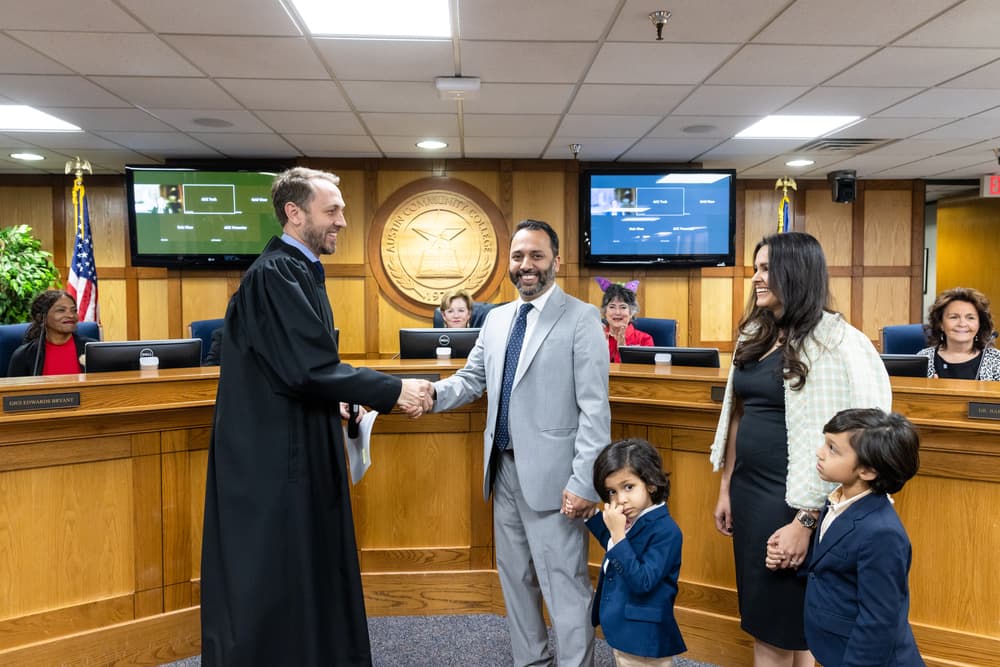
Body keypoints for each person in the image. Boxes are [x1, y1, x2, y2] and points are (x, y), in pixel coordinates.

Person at [200, 167, 433, 667]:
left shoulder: (298, 270)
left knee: (305, 568)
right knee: (277, 574)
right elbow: (308, 367)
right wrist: (393, 389)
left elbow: (295, 368)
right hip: (274, 458)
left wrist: (342, 397)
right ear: (294, 212)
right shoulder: (275, 274)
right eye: (333, 211)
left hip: (296, 441)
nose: (343, 221)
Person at [430, 219, 611, 666]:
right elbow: (472, 379)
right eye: (518, 257)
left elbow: (595, 409)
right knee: (516, 582)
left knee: (564, 587)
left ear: (556, 261)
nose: (525, 266)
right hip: (503, 471)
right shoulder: (495, 319)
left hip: (556, 480)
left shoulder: (582, 317)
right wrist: (430, 394)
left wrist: (585, 482)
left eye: (536, 256)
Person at [709, 231, 891, 667]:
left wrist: (806, 520)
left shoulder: (840, 343)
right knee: (776, 621)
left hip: (799, 501)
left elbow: (864, 438)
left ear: (797, 271)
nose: (756, 278)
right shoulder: (755, 332)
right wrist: (726, 487)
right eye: (756, 267)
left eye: (766, 268)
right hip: (751, 492)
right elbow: (736, 413)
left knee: (784, 626)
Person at [793, 408, 923, 667]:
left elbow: (879, 620)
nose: (820, 452)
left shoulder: (882, 533)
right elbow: (833, 565)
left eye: (833, 449)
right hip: (835, 649)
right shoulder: (837, 501)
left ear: (867, 471)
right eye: (825, 442)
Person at [586, 438, 686, 666]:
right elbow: (615, 544)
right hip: (626, 629)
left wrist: (619, 535)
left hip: (645, 636)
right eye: (612, 491)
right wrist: (592, 517)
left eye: (628, 487)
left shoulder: (667, 531)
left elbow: (643, 581)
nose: (620, 499)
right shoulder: (631, 520)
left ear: (651, 483)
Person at [916, 286, 1000, 380]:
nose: (962, 324)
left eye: (970, 318)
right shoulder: (924, 358)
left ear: (980, 324)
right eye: (954, 317)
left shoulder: (996, 360)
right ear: (940, 323)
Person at [7, 289, 95, 376]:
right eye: (61, 310)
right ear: (41, 317)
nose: (71, 315)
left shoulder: (94, 349)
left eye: (74, 310)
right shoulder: (23, 355)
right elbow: (14, 389)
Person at [597, 279, 653, 363]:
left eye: (623, 307)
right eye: (612, 307)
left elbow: (647, 371)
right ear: (605, 312)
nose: (617, 312)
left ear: (631, 312)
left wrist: (623, 350)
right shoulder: (596, 337)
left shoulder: (644, 339)